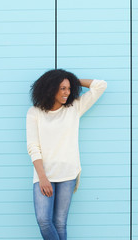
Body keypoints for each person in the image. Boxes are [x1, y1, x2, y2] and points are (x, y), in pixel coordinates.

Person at [26, 69, 107, 240]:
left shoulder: (74, 108)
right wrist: (42, 177)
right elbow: (33, 147)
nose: (67, 92)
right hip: (44, 174)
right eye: (62, 88)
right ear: (50, 88)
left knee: (60, 222)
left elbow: (100, 86)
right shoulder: (34, 112)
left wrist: (72, 80)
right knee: (44, 220)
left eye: (68, 88)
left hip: (68, 173)